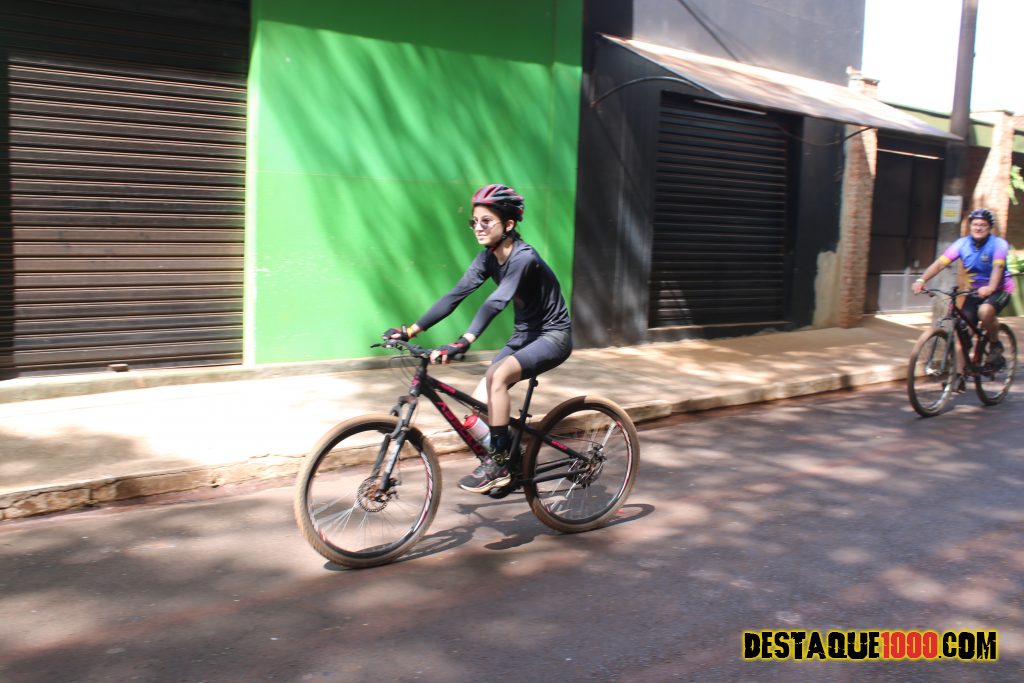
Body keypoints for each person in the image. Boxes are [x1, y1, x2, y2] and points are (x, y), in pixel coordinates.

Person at [384, 184, 572, 493]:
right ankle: (512, 458)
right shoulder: (487, 258)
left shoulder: (524, 257)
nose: (478, 227)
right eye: (474, 221)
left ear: (508, 224)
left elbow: (497, 300)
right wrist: (411, 330)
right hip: (524, 336)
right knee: (479, 408)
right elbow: (455, 295)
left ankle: (498, 463)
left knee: (497, 376)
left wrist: (465, 339)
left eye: (487, 221)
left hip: (553, 335)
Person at [912, 207, 1014, 367]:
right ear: (970, 226)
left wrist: (991, 287)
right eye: (975, 224)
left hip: (999, 289)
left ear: (989, 228)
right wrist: (921, 280)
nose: (978, 228)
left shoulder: (998, 244)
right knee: (961, 331)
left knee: (985, 311)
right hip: (975, 291)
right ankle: (960, 374)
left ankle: (995, 344)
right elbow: (940, 264)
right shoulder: (962, 244)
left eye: (983, 225)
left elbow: (998, 267)